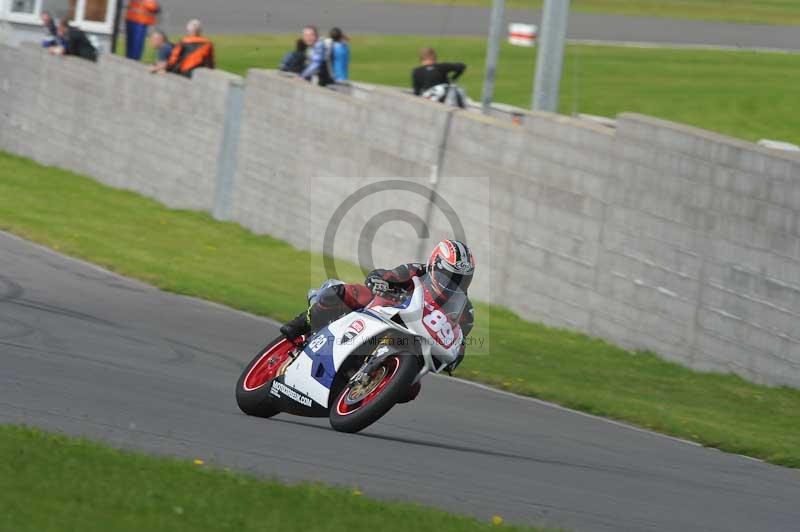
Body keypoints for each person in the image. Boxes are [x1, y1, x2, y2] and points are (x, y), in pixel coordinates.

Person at [280, 240, 476, 401]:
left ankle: (368, 390)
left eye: (461, 279)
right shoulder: (417, 271)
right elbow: (385, 275)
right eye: (450, 275)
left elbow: (459, 340)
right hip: (383, 311)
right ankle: (304, 323)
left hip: (415, 341)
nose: (454, 282)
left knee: (411, 390)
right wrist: (380, 282)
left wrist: (456, 356)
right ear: (435, 265)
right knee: (343, 292)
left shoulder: (465, 310)